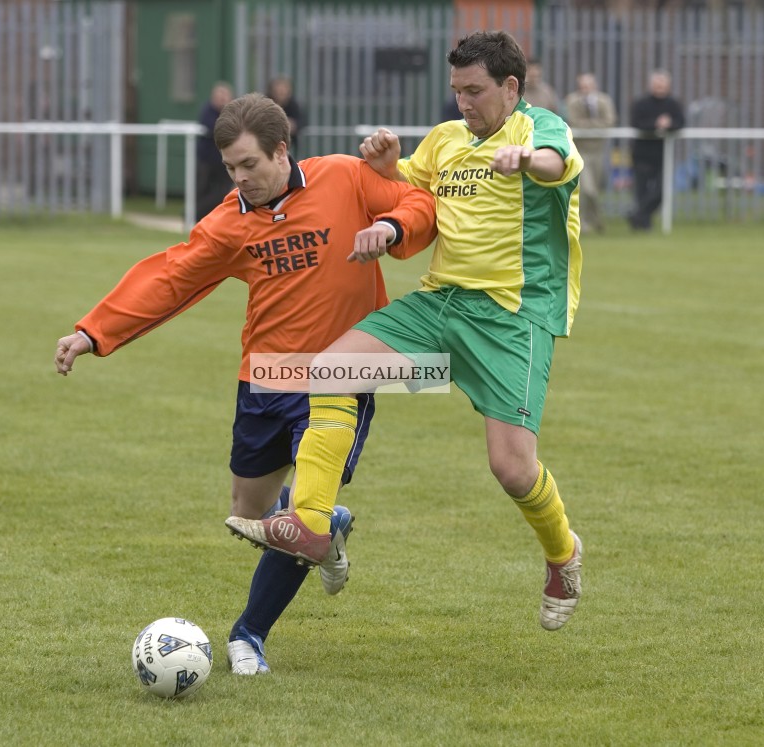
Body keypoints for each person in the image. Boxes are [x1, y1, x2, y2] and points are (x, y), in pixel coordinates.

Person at [54, 94, 436, 674]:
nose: (239, 179)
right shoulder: (230, 222)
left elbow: (417, 202)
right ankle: (327, 524)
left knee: (296, 521)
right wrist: (93, 332)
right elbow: (169, 278)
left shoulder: (344, 177)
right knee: (247, 509)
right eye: (230, 168)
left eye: (248, 165)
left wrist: (388, 225)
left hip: (346, 371)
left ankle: (248, 634)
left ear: (282, 150)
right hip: (265, 377)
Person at [227, 31, 586, 633]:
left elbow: (558, 163)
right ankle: (312, 521)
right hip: (440, 303)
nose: (463, 103)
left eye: (475, 91)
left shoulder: (538, 128)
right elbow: (411, 190)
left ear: (510, 87)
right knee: (333, 367)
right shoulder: (447, 140)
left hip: (512, 319)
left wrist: (525, 159)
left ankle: (564, 554)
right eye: (456, 92)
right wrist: (389, 164)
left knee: (512, 468)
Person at [628, 69, 685, 231]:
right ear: (651, 85)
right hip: (642, 154)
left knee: (661, 190)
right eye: (657, 83)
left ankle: (638, 216)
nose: (659, 86)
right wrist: (656, 124)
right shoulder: (641, 103)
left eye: (663, 83)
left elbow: (680, 123)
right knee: (642, 191)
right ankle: (643, 224)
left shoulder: (673, 104)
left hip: (663, 154)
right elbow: (636, 123)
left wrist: (669, 124)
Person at [564, 72, 617, 233]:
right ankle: (589, 221)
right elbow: (573, 122)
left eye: (588, 86)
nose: (585, 89)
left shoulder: (604, 100)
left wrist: (587, 125)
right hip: (581, 151)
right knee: (588, 189)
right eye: (582, 86)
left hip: (599, 151)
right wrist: (595, 125)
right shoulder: (572, 101)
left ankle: (594, 220)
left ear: (595, 86)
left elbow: (609, 121)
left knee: (595, 188)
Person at [195, 82, 236, 220]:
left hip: (226, 162)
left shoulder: (233, 111)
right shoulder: (207, 111)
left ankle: (207, 217)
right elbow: (216, 129)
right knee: (202, 191)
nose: (222, 99)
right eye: (220, 95)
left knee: (222, 193)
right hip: (207, 161)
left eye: (225, 96)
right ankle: (196, 216)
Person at [267, 76, 306, 150]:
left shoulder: (293, 104)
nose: (281, 92)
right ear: (272, 90)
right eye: (279, 90)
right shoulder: (266, 102)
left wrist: (294, 125)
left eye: (284, 89)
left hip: (290, 144)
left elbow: (302, 120)